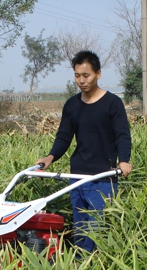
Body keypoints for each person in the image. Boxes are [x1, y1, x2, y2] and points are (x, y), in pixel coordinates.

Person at [36, 50, 132, 254]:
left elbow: (122, 135)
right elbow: (64, 137)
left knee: (98, 229)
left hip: (103, 177)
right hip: (77, 176)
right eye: (77, 75)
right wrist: (49, 157)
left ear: (98, 73)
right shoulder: (72, 105)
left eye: (86, 75)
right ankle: (80, 269)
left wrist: (124, 160)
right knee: (80, 229)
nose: (81, 80)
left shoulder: (112, 103)